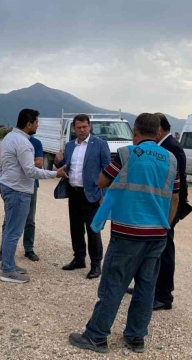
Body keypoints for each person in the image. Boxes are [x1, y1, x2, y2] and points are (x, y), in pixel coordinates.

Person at [68, 113, 180, 354]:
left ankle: (96, 336)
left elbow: (101, 181)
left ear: (135, 133)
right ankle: (136, 336)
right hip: (158, 235)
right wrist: (164, 225)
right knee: (146, 287)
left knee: (113, 284)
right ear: (158, 131)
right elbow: (175, 199)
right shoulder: (171, 160)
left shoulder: (127, 154)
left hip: (128, 234)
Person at [0, 109, 68, 284]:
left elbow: (2, 165)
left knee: (10, 228)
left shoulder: (8, 138)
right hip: (18, 191)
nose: (38, 125)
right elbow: (30, 170)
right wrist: (55, 173)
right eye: (36, 122)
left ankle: (7, 263)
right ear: (28, 124)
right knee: (13, 231)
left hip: (10, 187)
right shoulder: (23, 143)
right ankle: (8, 270)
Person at [125, 113, 189, 311]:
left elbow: (174, 185)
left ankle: (164, 295)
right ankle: (147, 288)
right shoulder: (163, 147)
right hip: (157, 207)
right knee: (150, 249)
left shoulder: (173, 149)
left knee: (165, 250)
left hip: (167, 208)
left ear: (159, 130)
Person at [53, 114, 111, 279]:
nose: (82, 130)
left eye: (84, 126)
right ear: (74, 128)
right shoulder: (70, 146)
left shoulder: (100, 145)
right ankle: (79, 259)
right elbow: (66, 167)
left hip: (92, 195)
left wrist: (103, 194)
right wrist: (58, 162)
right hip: (74, 193)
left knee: (93, 231)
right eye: (78, 127)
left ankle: (95, 265)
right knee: (76, 229)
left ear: (89, 126)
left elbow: (108, 171)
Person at [0, 135, 44, 262]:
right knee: (8, 219)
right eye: (35, 122)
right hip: (13, 185)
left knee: (30, 219)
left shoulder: (36, 143)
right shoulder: (12, 140)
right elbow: (2, 163)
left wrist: (21, 163)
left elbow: (40, 163)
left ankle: (29, 249)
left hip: (31, 185)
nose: (36, 125)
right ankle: (3, 250)